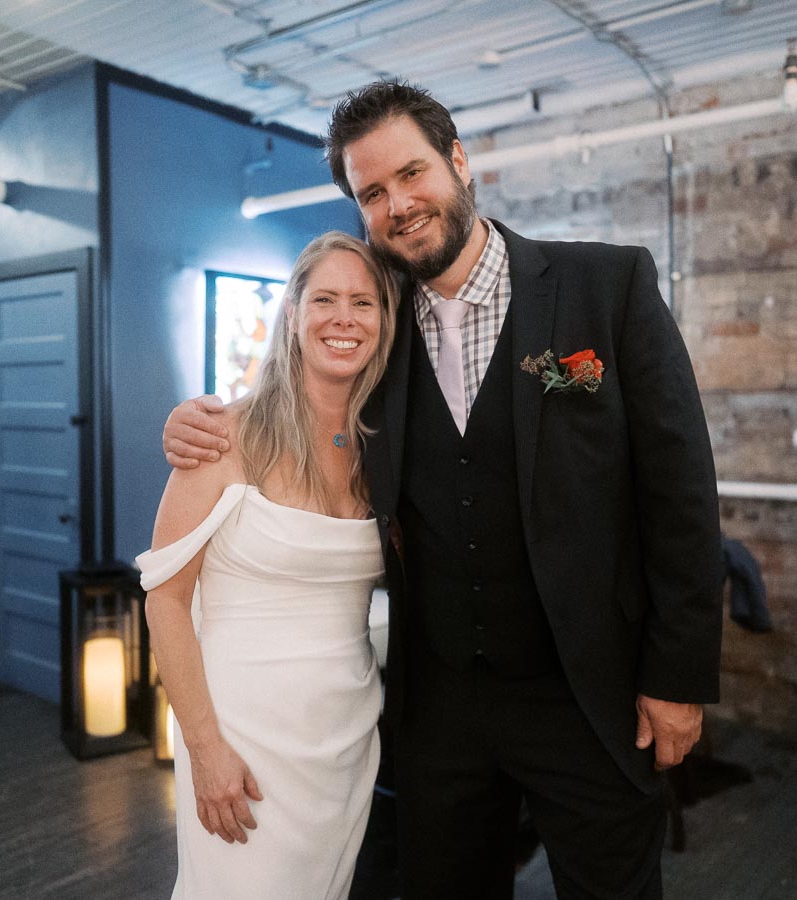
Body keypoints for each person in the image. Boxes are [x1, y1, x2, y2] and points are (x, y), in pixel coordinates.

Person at [163, 81, 723, 899]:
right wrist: (192, 420)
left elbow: (681, 492)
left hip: (588, 693)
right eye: (373, 193)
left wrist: (678, 676)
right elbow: (298, 401)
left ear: (459, 163)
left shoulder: (606, 286)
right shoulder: (376, 321)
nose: (399, 205)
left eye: (412, 174)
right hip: (440, 709)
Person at [137, 232, 398, 899]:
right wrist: (204, 749)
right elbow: (165, 600)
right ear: (294, 315)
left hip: (343, 738)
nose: (344, 318)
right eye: (326, 299)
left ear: (384, 322)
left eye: (363, 303)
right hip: (243, 739)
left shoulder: (386, 453)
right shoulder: (223, 436)